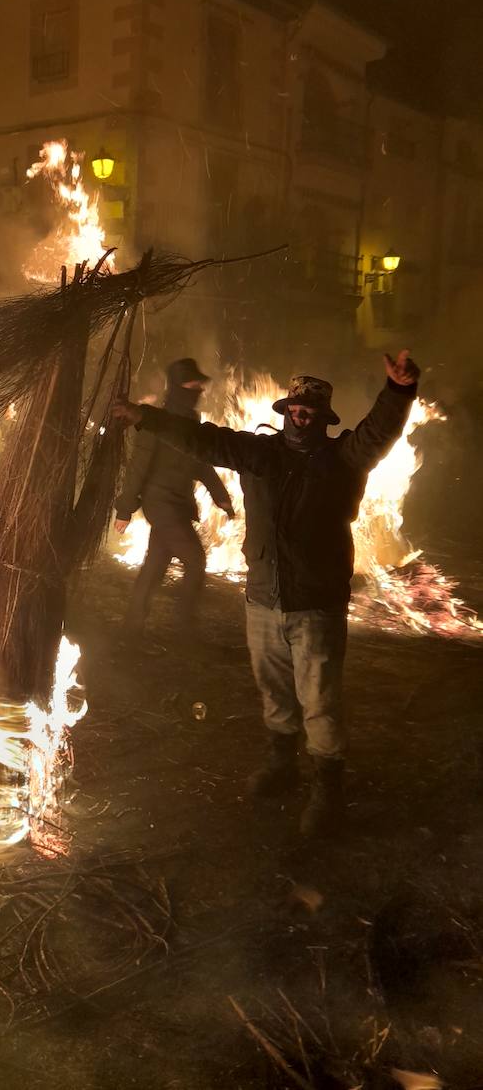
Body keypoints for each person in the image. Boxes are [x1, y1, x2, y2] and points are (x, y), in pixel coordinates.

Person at [114, 350, 420, 837]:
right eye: (295, 410)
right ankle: (282, 765)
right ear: (285, 412)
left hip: (316, 604)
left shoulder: (343, 460)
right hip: (263, 599)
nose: (301, 417)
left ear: (323, 419)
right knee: (275, 692)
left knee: (319, 700)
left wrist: (399, 391)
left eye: (310, 413)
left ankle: (327, 789)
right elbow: (203, 440)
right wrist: (146, 418)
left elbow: (377, 432)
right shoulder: (260, 455)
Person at [114, 358, 235, 641]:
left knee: (155, 566)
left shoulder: (192, 422)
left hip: (179, 503)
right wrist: (125, 509)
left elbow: (201, 463)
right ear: (179, 387)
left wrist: (222, 497)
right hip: (161, 504)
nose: (198, 389)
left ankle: (131, 629)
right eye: (191, 384)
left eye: (198, 384)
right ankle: (184, 627)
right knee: (195, 560)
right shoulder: (157, 421)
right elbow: (138, 466)